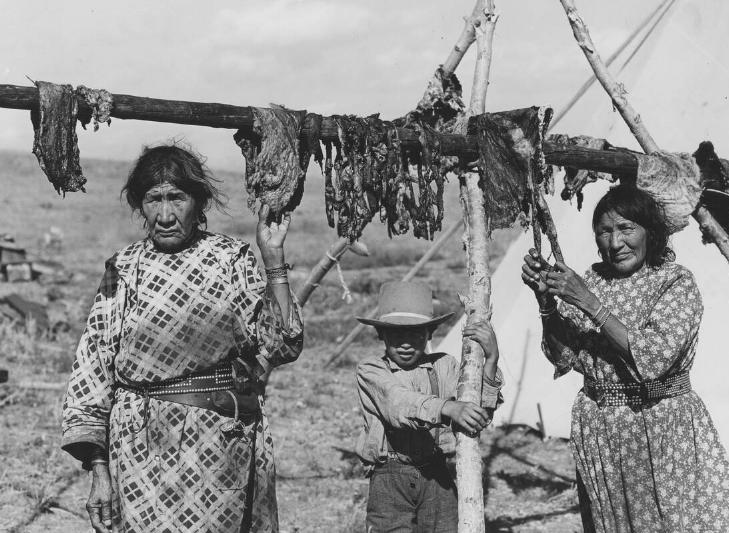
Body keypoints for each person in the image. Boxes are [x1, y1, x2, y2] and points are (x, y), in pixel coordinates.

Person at [61, 145, 303, 533]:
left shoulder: (230, 259)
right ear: (140, 206)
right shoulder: (123, 269)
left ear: (199, 201)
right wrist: (99, 471)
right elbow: (93, 369)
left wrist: (272, 259)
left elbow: (282, 345)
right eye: (153, 199)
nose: (166, 214)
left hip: (219, 448)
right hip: (139, 450)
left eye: (177, 197)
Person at [521, 185, 729, 532]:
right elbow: (563, 355)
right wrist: (547, 303)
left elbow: (653, 358)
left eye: (626, 228)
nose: (615, 243)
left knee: (669, 523)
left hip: (659, 428)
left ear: (650, 232)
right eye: (605, 231)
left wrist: (588, 303)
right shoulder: (593, 279)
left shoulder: (673, 282)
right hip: (600, 430)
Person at [354, 281, 503, 532]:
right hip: (390, 477)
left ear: (429, 334)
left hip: (436, 474)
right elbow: (397, 403)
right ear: (381, 335)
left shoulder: (445, 366)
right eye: (396, 335)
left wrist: (491, 360)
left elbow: (478, 412)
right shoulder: (372, 370)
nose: (405, 343)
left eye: (415, 334)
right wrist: (448, 407)